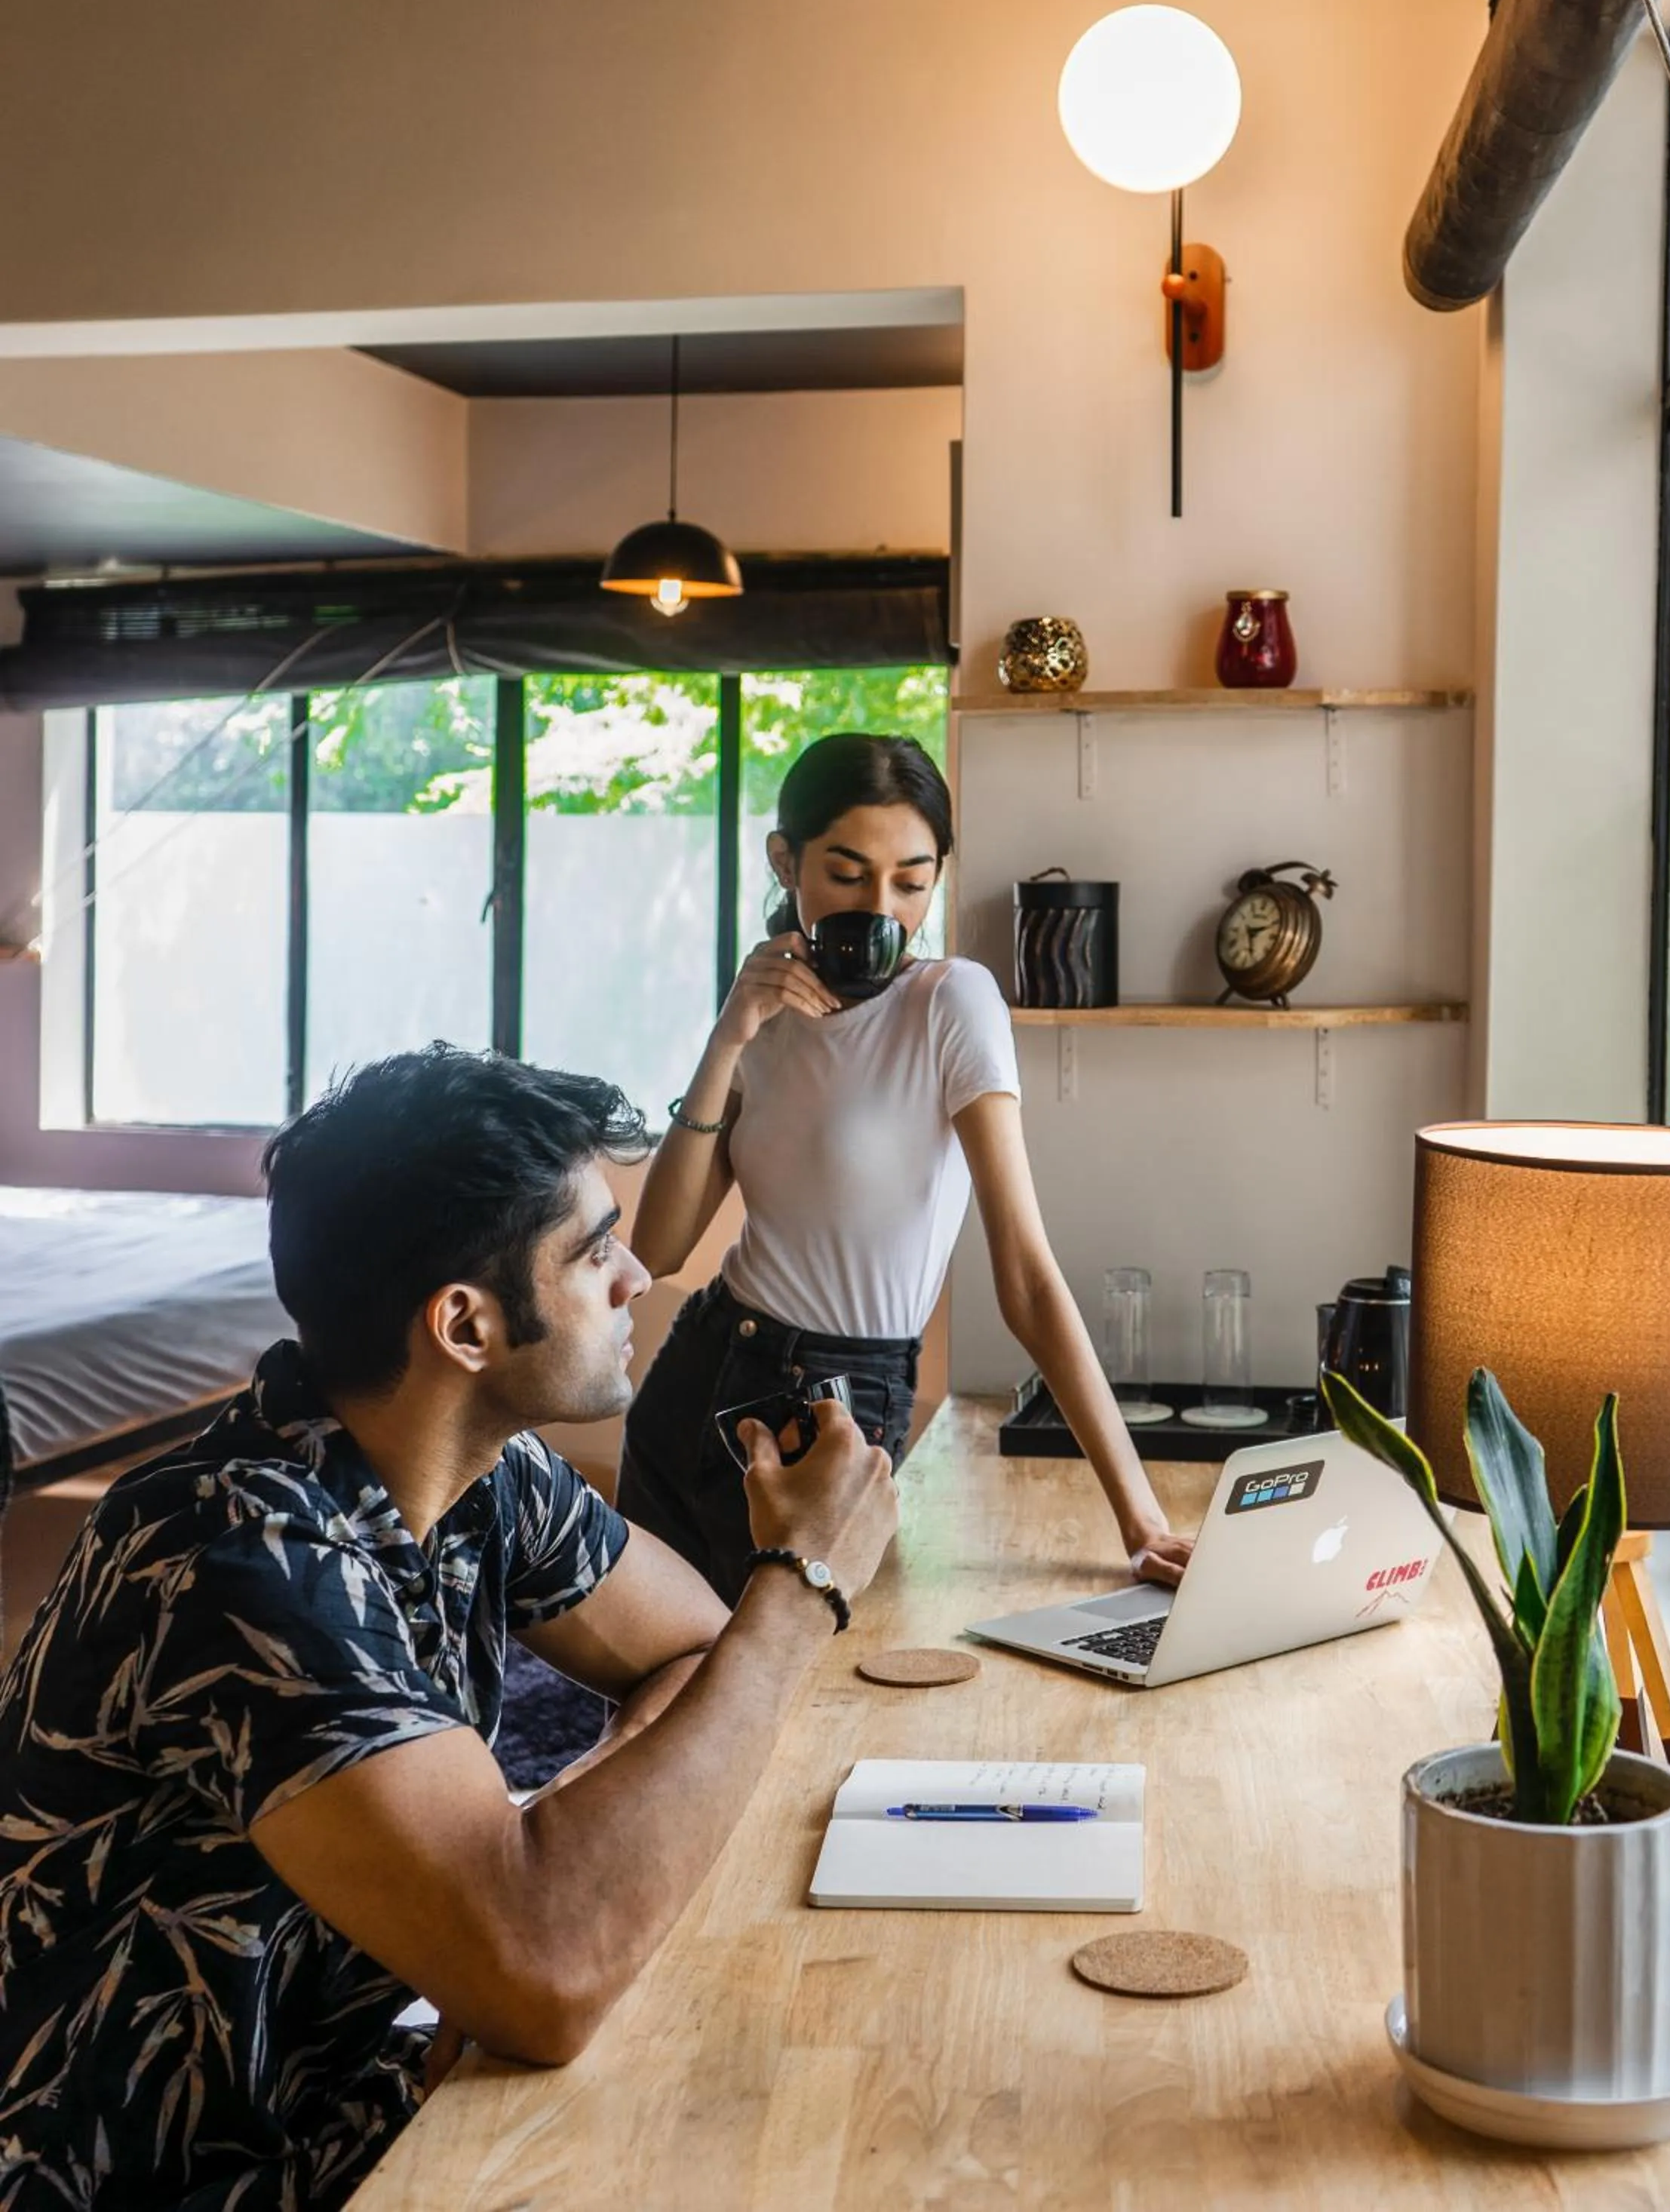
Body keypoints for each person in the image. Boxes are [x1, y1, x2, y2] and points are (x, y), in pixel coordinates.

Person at [0, 1046, 898, 2211]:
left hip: (356, 2092)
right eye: (593, 1250)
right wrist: (803, 1580)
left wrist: (558, 1855)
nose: (637, 1277)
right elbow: (550, 1976)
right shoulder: (240, 1561)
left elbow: (694, 1648)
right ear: (465, 1327)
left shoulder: (488, 1472)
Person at [618, 731, 1193, 1608]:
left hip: (835, 1407)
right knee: (656, 1693)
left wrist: (1140, 1518)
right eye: (846, 876)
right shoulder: (760, 1017)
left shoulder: (951, 1003)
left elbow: (1027, 1275)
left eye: (912, 882)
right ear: (787, 862)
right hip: (700, 1369)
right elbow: (656, 1249)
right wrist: (725, 1037)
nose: (879, 904)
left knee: (792, 1688)